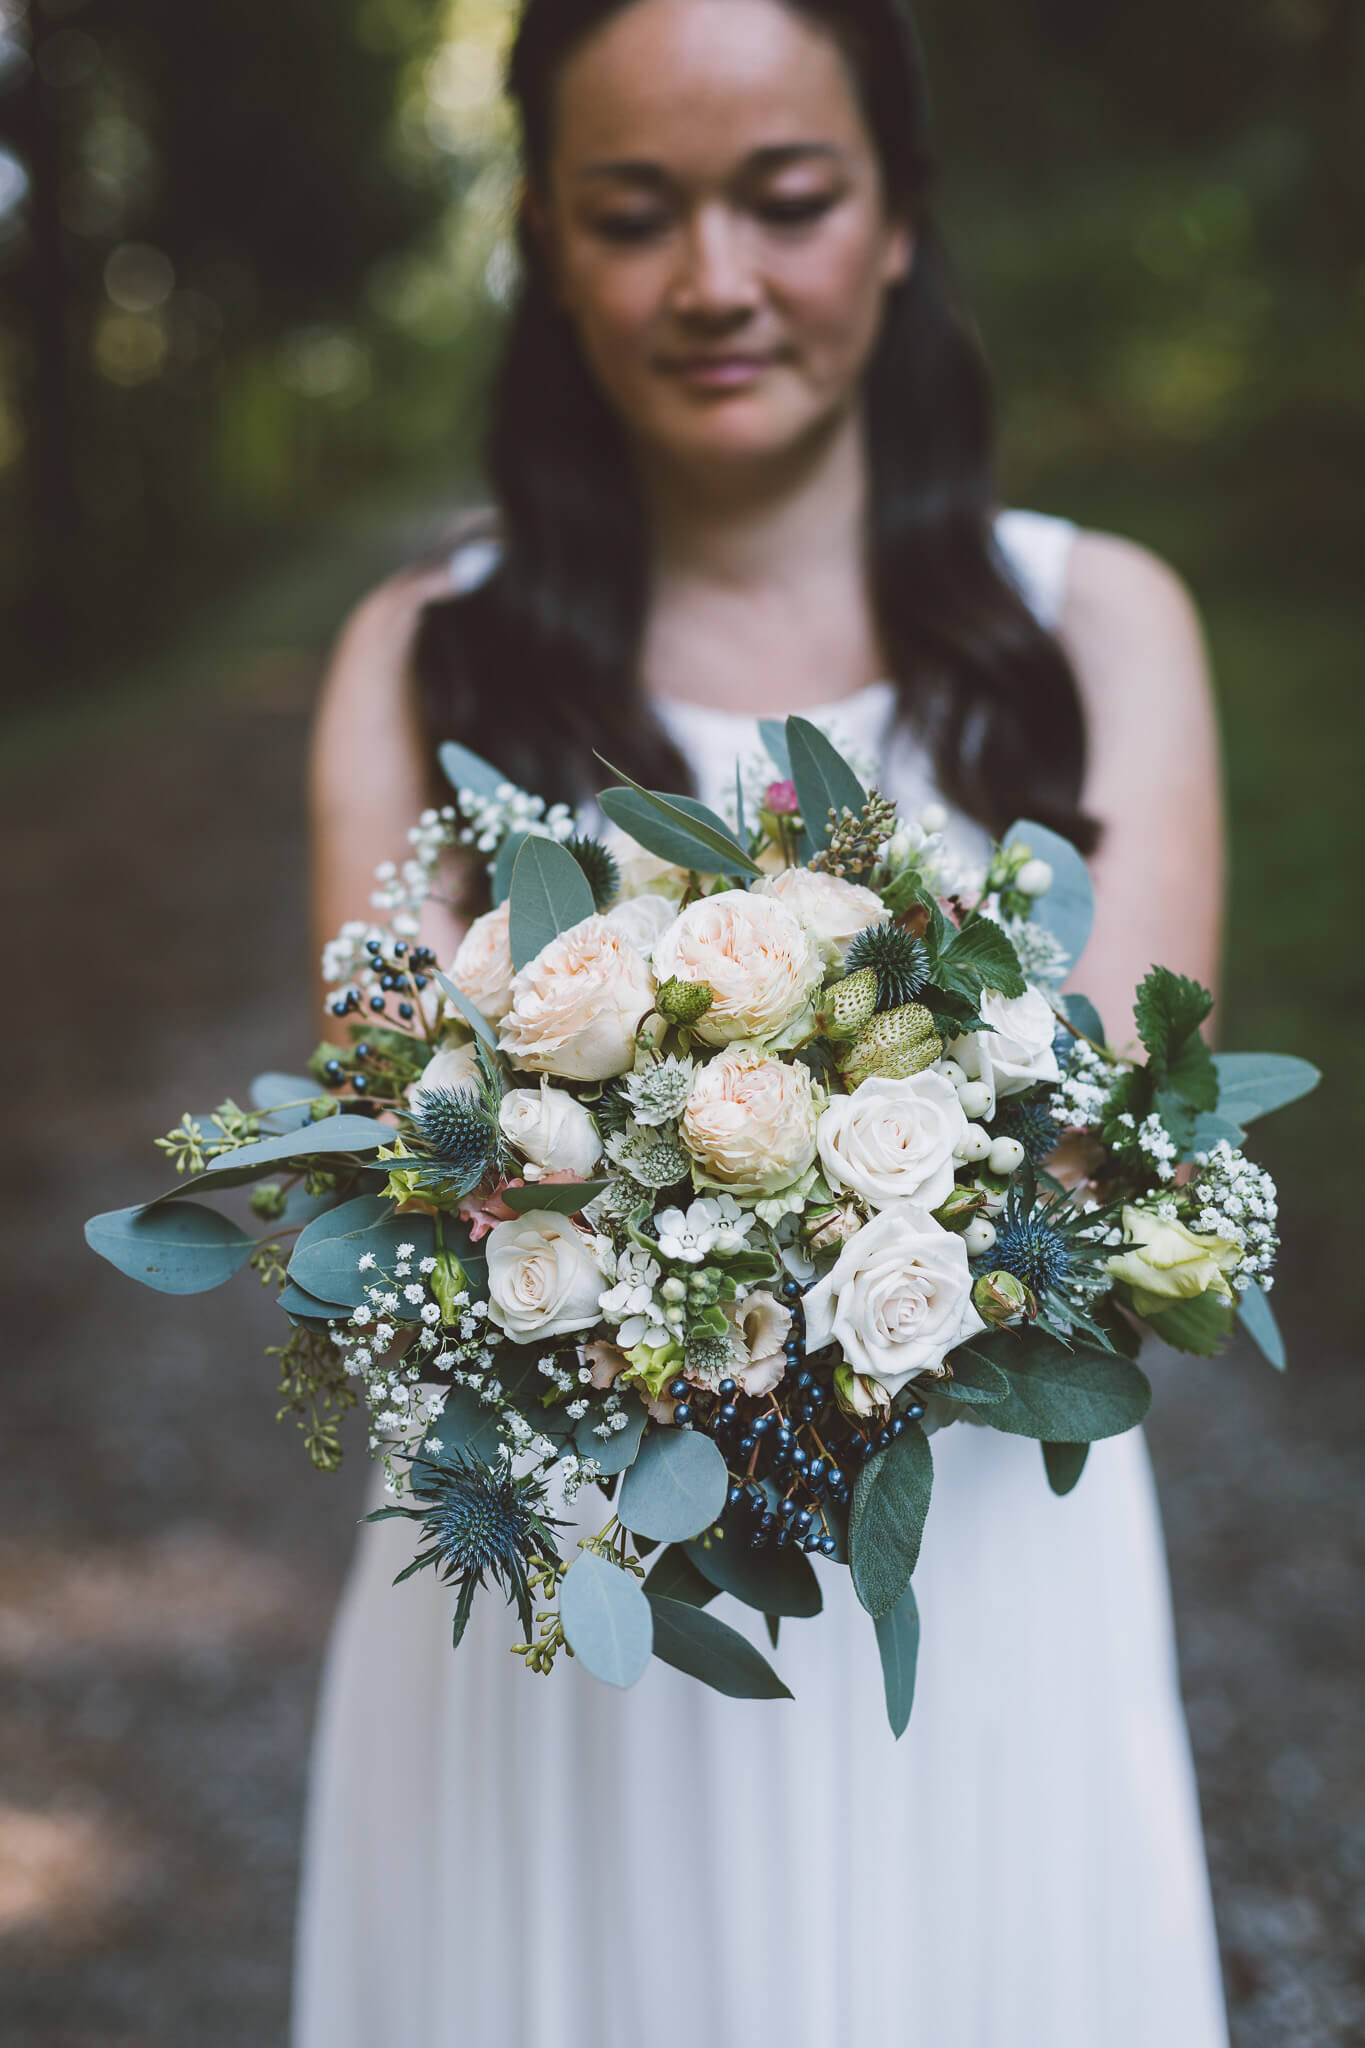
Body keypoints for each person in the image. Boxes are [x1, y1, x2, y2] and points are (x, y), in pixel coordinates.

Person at [298, 2, 1229, 2042]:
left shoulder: (1095, 631)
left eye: (784, 199)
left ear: (894, 214)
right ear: (541, 235)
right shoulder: (421, 655)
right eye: (632, 214)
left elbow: (1095, 1144)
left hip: (970, 1586)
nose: (713, 282)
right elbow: (386, 1126)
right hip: (562, 1603)